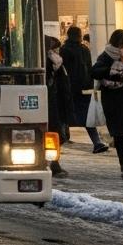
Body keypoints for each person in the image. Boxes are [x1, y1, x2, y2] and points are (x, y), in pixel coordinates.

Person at [92, 30, 123, 180]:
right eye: (121, 45)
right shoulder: (107, 56)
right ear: (115, 44)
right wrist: (114, 67)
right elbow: (94, 72)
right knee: (120, 132)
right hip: (116, 101)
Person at [62, 27, 108, 152]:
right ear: (80, 36)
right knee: (87, 115)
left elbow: (63, 71)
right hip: (84, 88)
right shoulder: (84, 50)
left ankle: (62, 138)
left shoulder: (64, 50)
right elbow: (89, 68)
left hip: (69, 88)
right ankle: (97, 142)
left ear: (68, 35)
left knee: (64, 113)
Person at [45, 35, 72, 178]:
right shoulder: (46, 62)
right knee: (54, 134)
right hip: (51, 103)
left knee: (59, 134)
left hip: (59, 102)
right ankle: (54, 164)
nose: (57, 51)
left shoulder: (58, 63)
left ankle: (54, 163)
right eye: (55, 48)